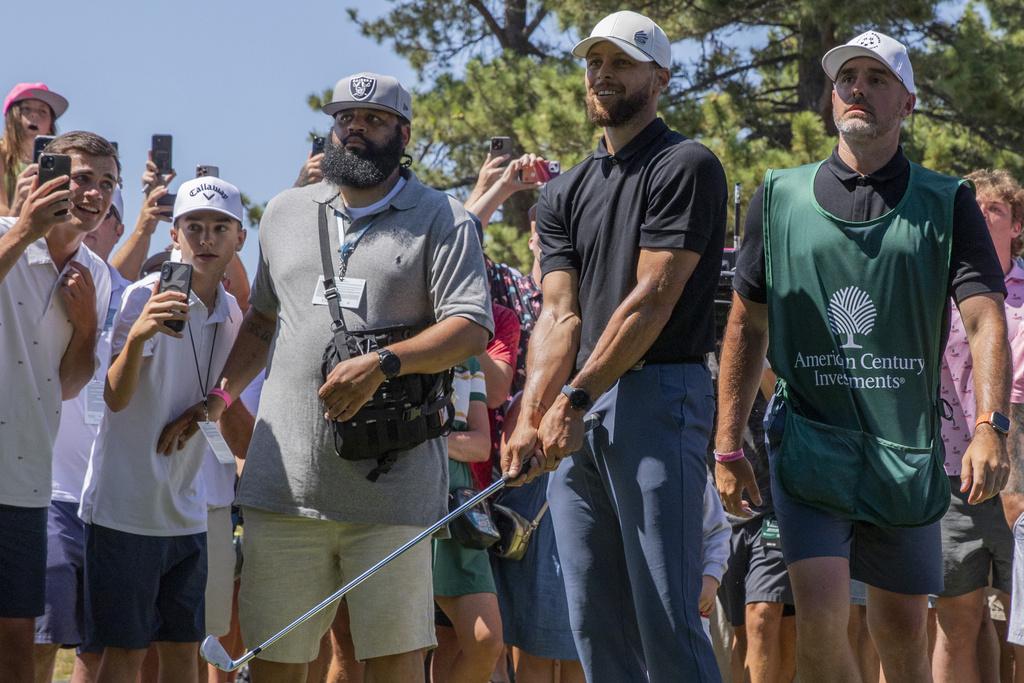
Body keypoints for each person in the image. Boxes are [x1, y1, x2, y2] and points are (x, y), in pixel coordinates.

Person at [714, 30, 1011, 682]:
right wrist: (727, 446)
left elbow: (986, 318)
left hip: (903, 452)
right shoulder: (778, 197)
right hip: (810, 446)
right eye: (847, 77)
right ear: (829, 98)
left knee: (903, 633)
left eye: (876, 79)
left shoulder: (947, 201)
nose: (857, 89)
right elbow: (746, 324)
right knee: (820, 619)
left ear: (907, 101)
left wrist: (992, 423)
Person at [180, 72, 492, 682]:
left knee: (393, 665)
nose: (355, 128)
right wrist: (219, 398)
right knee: (276, 664)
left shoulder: (443, 218)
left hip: (393, 492)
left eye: (373, 119)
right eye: (345, 117)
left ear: (403, 134)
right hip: (284, 491)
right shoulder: (285, 212)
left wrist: (384, 362)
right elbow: (262, 324)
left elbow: (471, 326)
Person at [503, 10, 728, 681]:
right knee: (592, 623)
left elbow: (653, 297)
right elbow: (558, 314)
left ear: (659, 77)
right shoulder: (565, 191)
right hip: (580, 405)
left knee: (666, 614)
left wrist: (572, 396)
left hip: (660, 395)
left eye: (621, 62)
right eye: (594, 62)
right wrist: (529, 411)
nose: (602, 75)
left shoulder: (685, 164)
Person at [78, 176, 247, 683]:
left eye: (220, 227)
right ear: (174, 235)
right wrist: (139, 337)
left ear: (240, 240)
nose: (206, 239)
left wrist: (207, 409)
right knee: (125, 655)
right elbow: (114, 396)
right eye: (193, 226)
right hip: (125, 510)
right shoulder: (142, 296)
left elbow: (228, 395)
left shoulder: (232, 311)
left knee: (184, 653)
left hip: (188, 511)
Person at [0, 130, 115, 682]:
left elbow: (69, 384)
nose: (94, 193)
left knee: (17, 645)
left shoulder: (96, 276)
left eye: (106, 183)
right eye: (82, 179)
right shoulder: (5, 234)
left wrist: (89, 325)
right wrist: (25, 229)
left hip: (26, 481)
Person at [33, 188, 130, 683]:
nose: (95, 219)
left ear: (121, 226)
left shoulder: (135, 295)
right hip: (49, 489)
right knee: (38, 639)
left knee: (98, 645)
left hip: (109, 498)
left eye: (109, 211)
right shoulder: (39, 273)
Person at [431, 357, 504, 682]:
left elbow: (480, 445)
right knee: (402, 647)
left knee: (485, 640)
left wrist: (428, 442)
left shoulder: (467, 359)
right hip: (398, 494)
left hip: (457, 506)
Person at [0, 82, 68, 216]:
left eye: (42, 111)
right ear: (11, 117)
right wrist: (19, 204)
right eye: (26, 109)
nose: (34, 115)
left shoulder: (61, 162)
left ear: (50, 124)